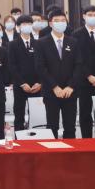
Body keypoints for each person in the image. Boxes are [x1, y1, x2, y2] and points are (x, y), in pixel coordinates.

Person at [34, 11, 83, 139]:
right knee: (52, 126)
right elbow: (40, 67)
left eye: (63, 20)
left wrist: (70, 86)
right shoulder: (41, 43)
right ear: (50, 23)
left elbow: (79, 65)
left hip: (70, 92)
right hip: (51, 91)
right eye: (57, 20)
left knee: (70, 127)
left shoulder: (73, 42)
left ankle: (70, 151)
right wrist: (54, 87)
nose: (60, 23)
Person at [71, 5, 95, 138]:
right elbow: (77, 59)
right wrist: (88, 75)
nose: (93, 17)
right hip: (84, 81)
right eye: (90, 15)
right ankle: (86, 140)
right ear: (84, 16)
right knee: (85, 112)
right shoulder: (76, 34)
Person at [9, 15, 42, 131]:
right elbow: (12, 66)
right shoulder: (12, 44)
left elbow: (43, 64)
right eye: (24, 24)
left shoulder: (38, 43)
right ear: (18, 27)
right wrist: (22, 83)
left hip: (37, 85)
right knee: (19, 113)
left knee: (37, 114)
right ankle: (19, 136)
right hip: (20, 85)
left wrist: (40, 82)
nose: (27, 26)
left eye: (29, 24)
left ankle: (36, 136)